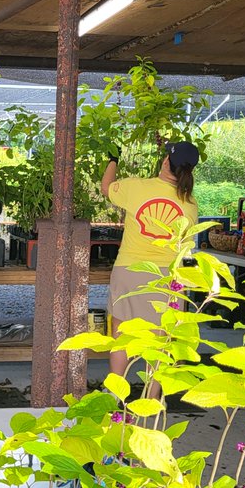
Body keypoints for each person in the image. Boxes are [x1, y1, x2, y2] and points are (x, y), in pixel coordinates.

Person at [101, 140, 200, 378]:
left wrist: (113, 159)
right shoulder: (190, 204)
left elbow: (106, 187)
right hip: (167, 278)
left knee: (121, 334)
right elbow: (187, 250)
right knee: (161, 341)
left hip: (129, 270)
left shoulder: (136, 187)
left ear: (166, 162)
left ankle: (116, 395)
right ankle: (152, 398)